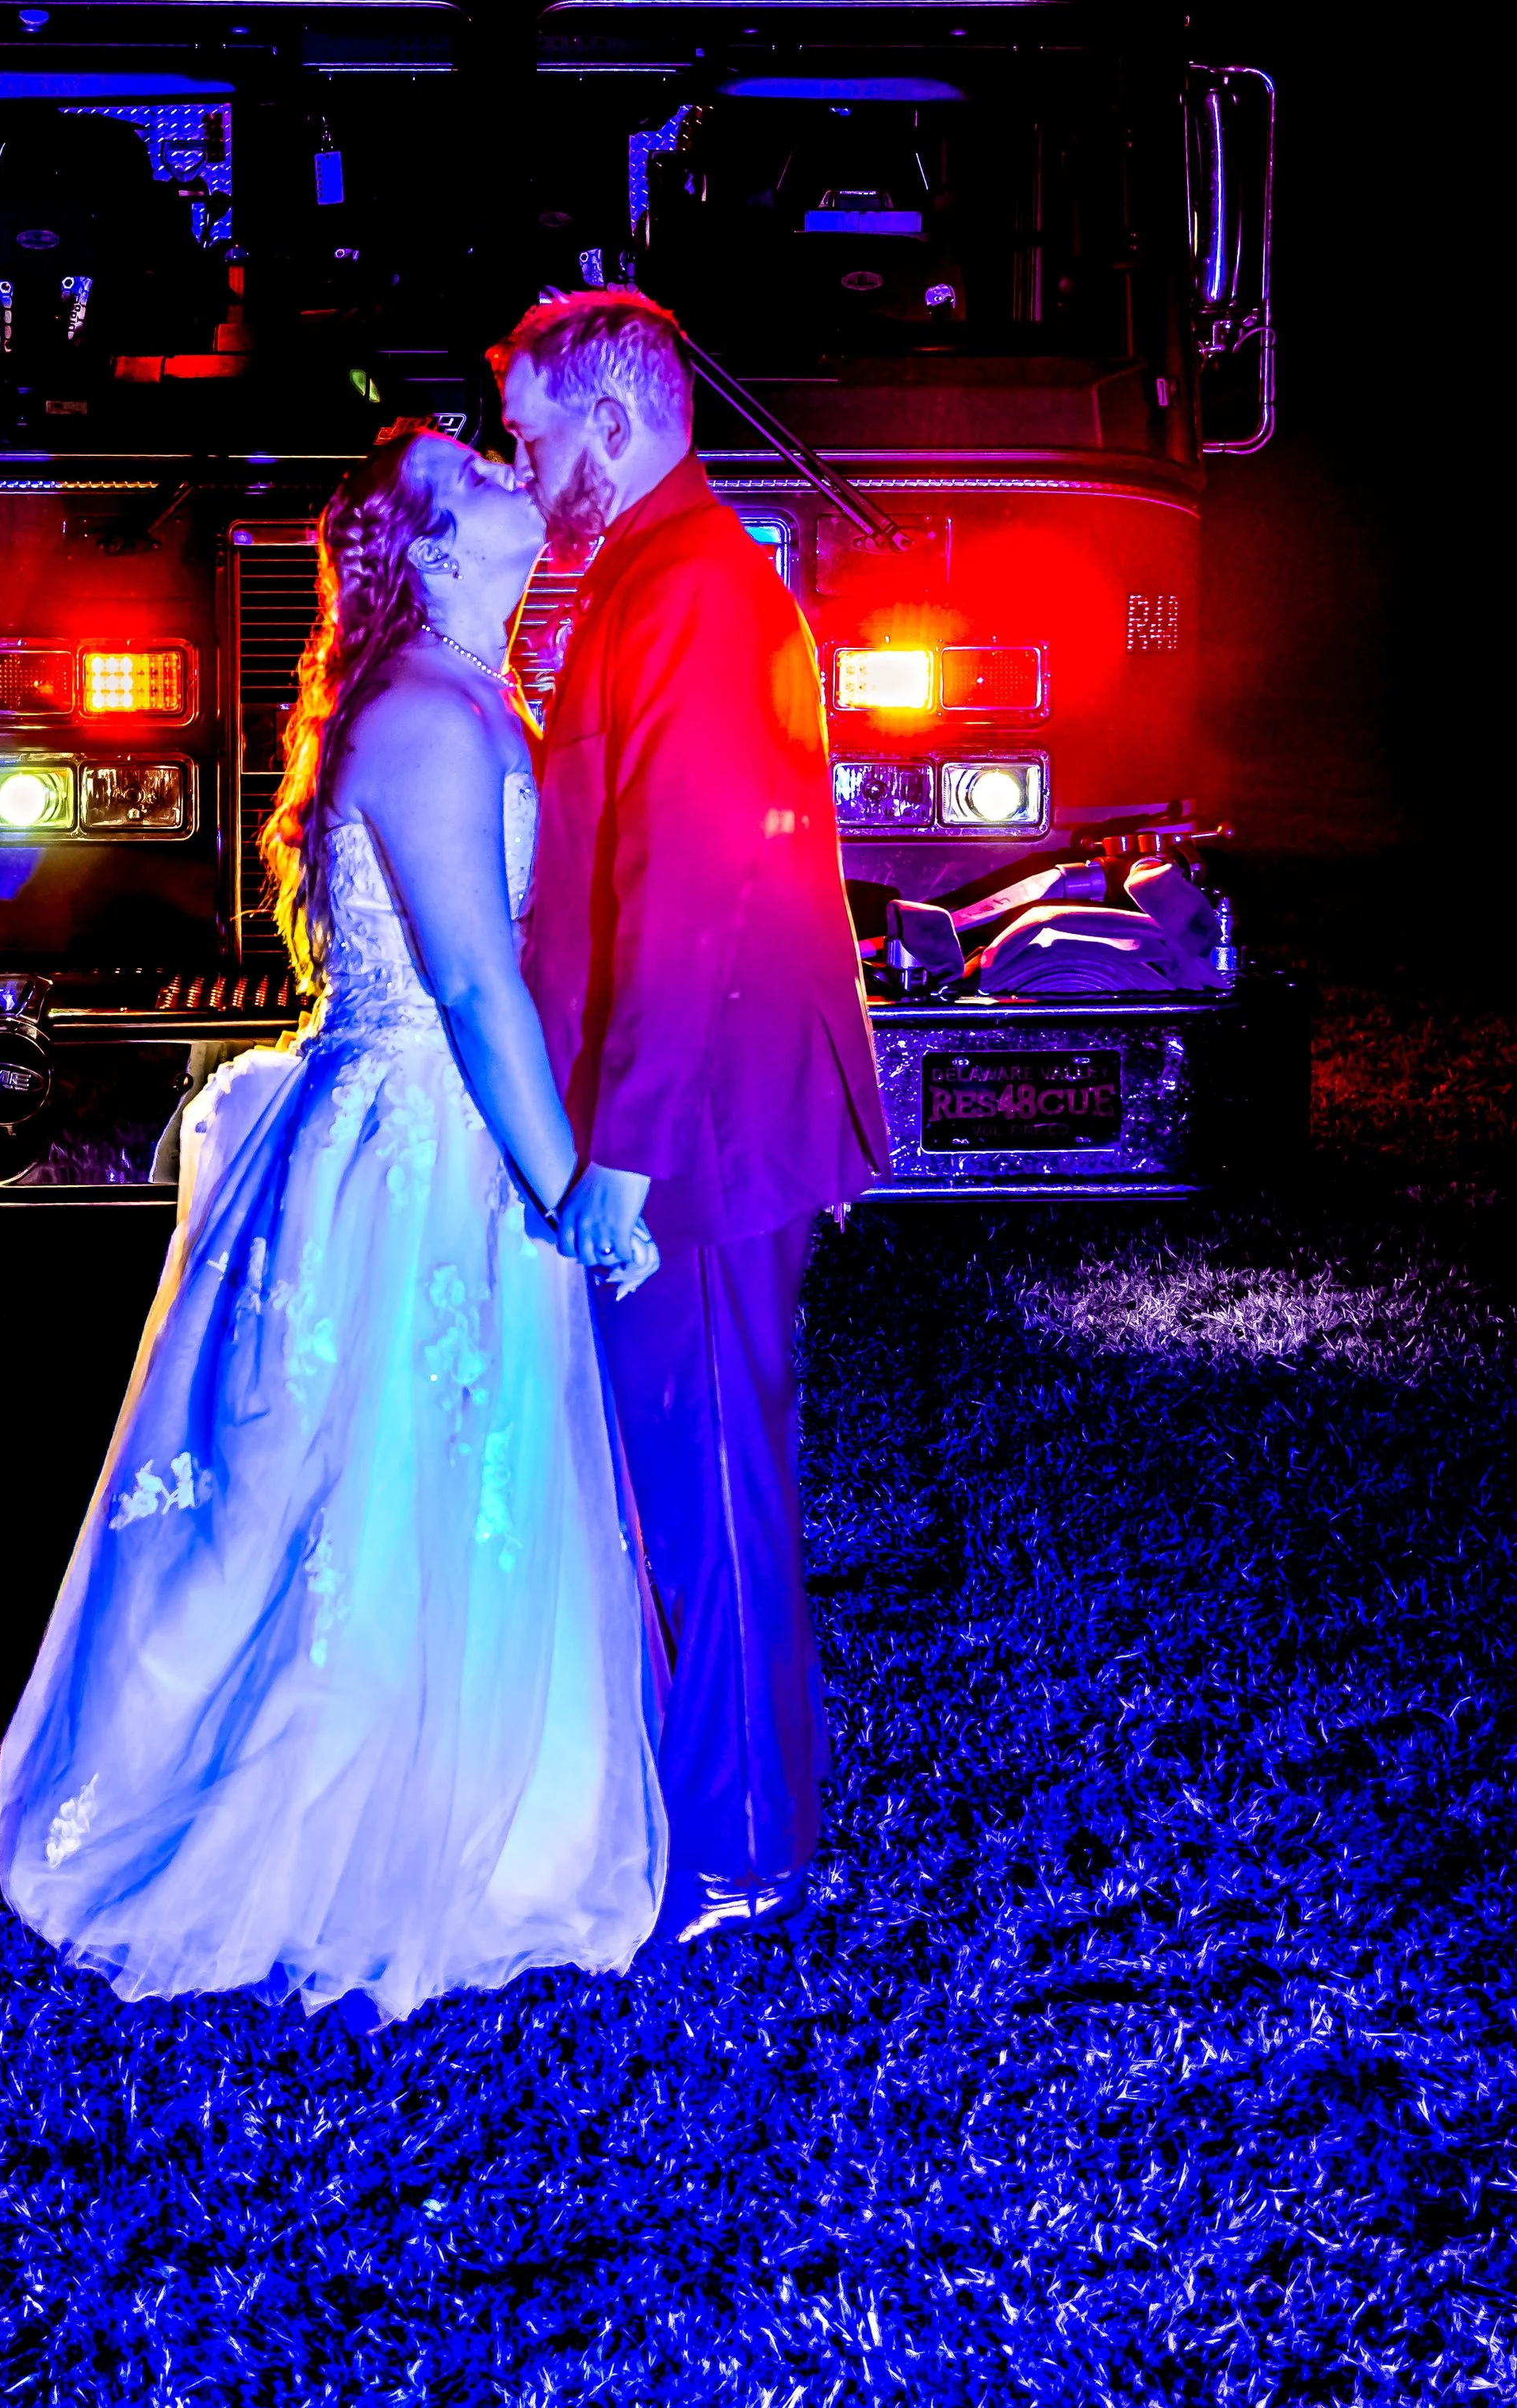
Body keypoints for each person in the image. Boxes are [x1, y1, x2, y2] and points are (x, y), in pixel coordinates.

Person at [0, 423, 665, 2021]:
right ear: (434, 546)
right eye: (484, 469)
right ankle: (339, 1830)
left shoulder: (463, 688)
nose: (521, 473)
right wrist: (566, 1180)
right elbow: (468, 980)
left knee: (434, 1479)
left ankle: (475, 1798)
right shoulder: (430, 716)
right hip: (421, 1145)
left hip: (445, 1124)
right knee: (354, 1485)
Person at [494, 291, 891, 1945]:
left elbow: (686, 896)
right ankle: (719, 1807)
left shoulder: (697, 590)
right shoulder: (658, 581)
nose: (520, 463)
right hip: (689, 1106)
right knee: (688, 1466)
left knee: (713, 1474)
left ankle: (740, 1846)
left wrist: (629, 1154)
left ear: (607, 417)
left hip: (702, 1125)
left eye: (527, 429)